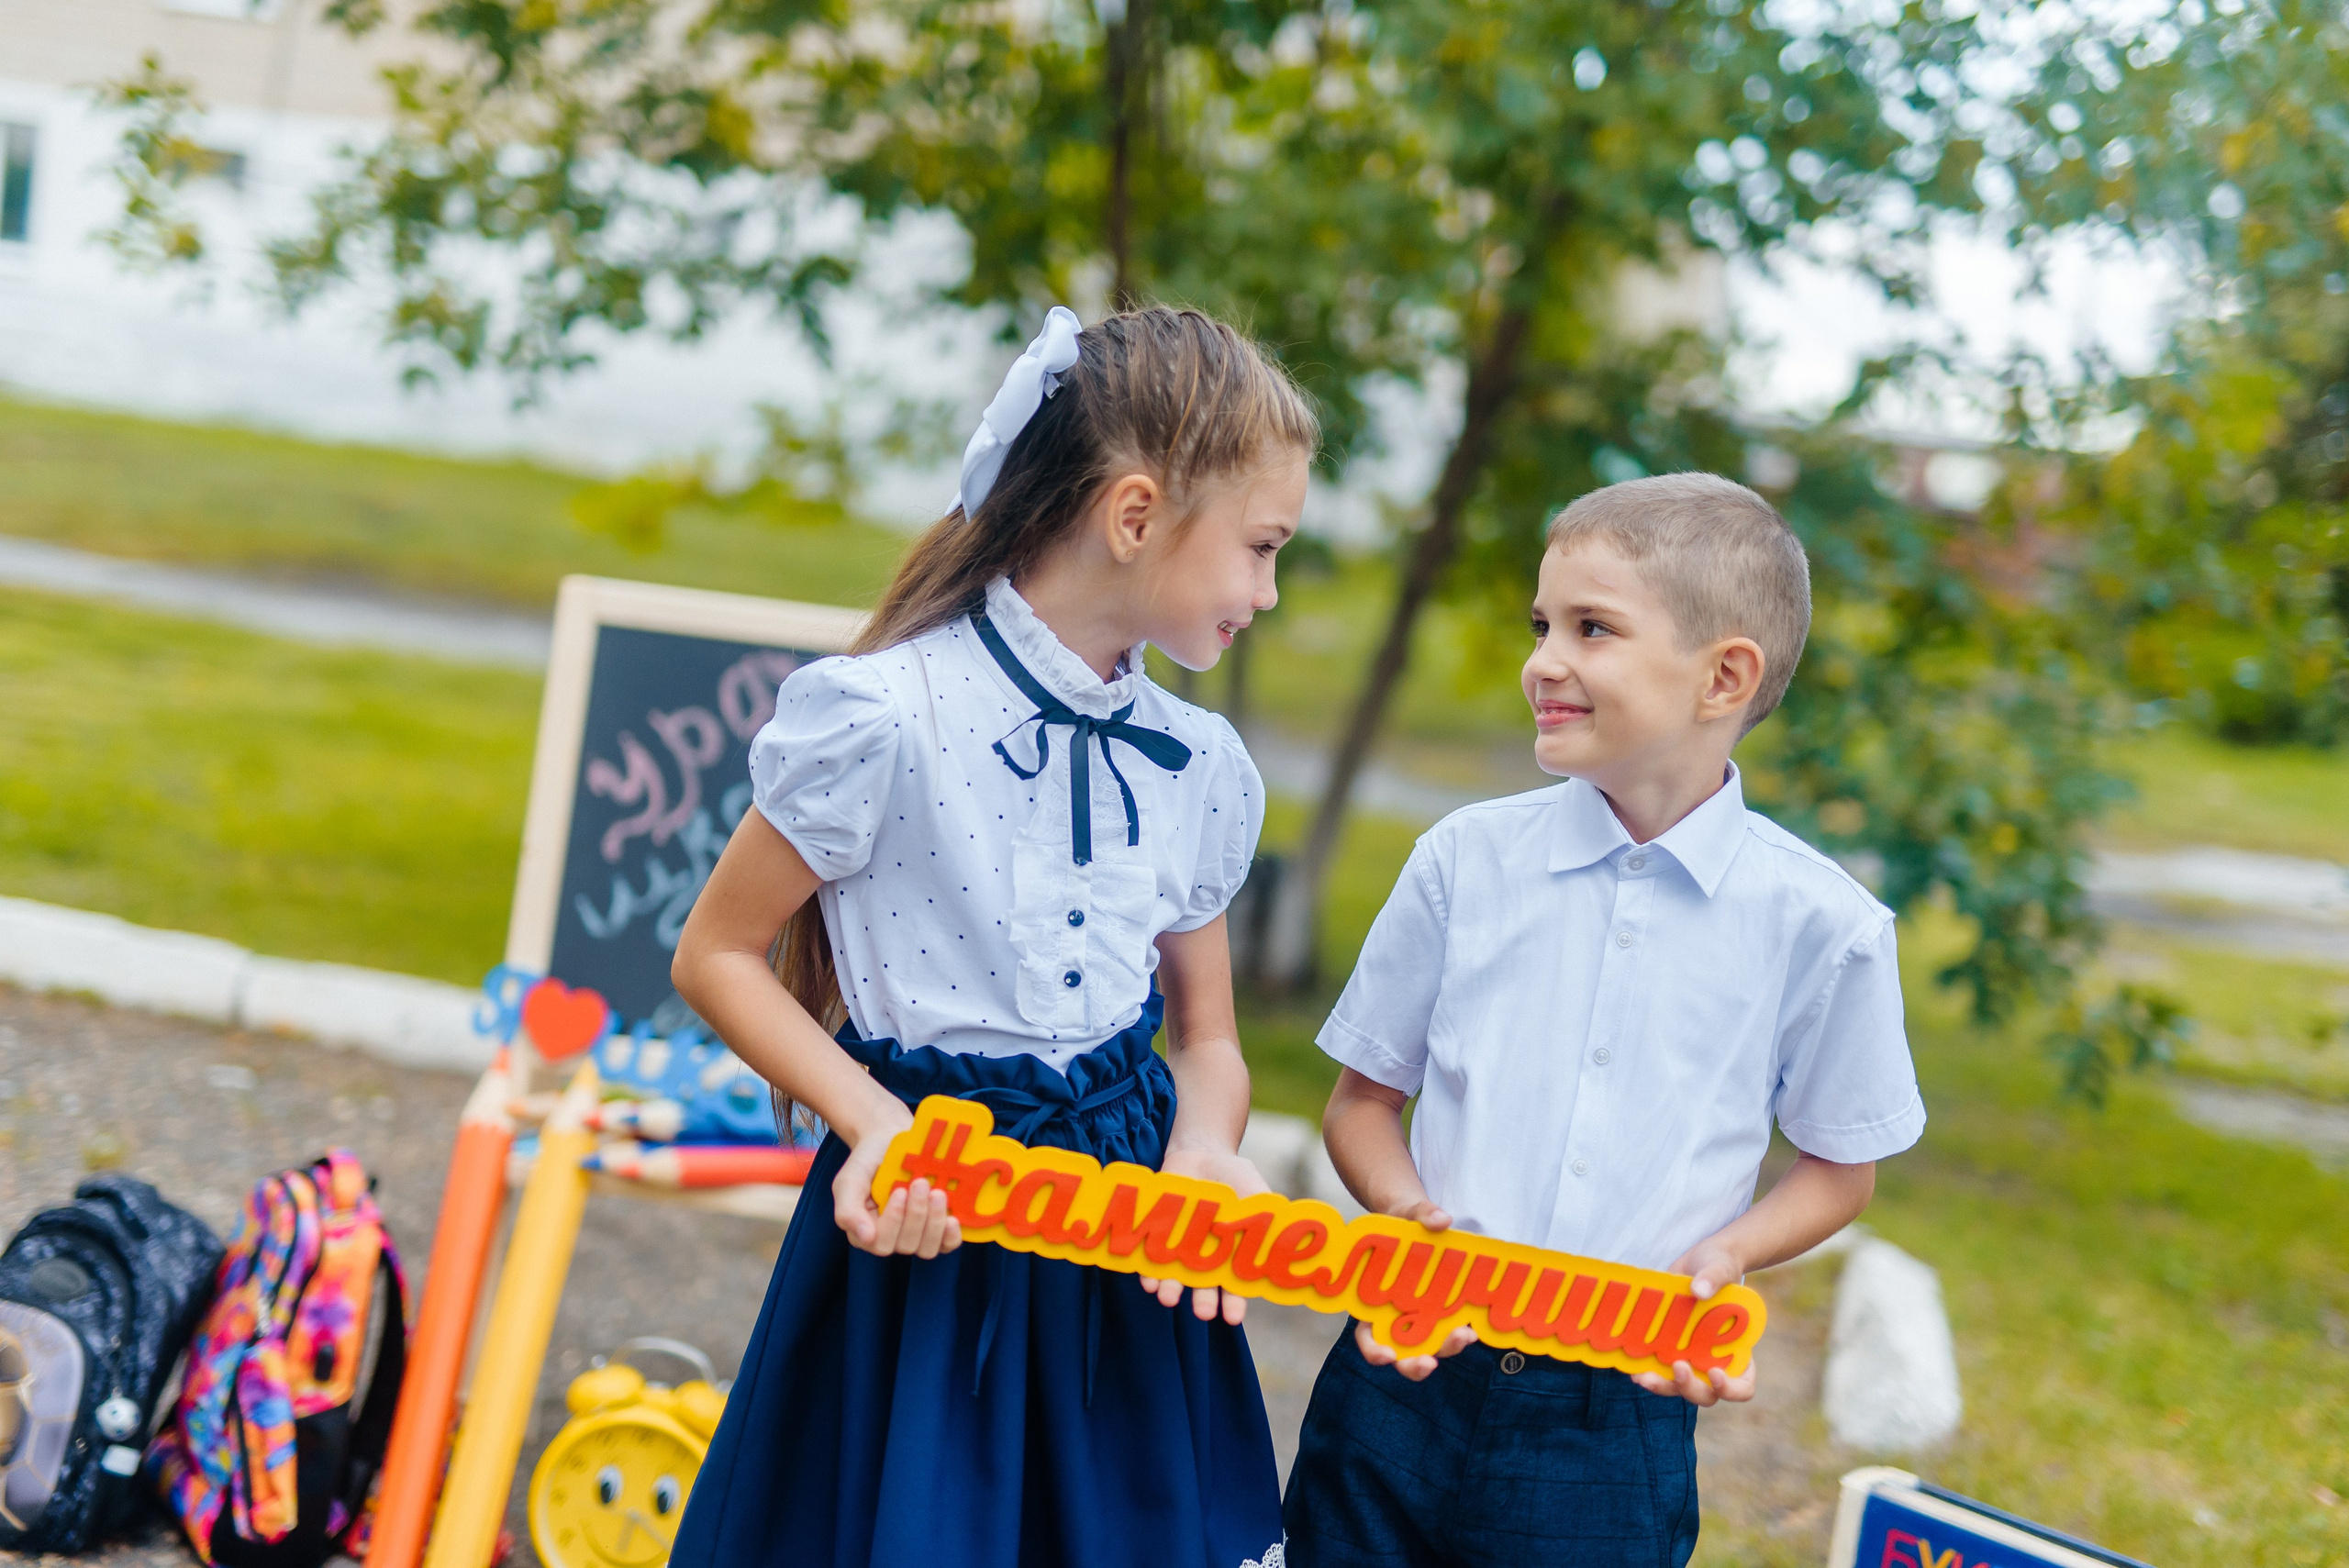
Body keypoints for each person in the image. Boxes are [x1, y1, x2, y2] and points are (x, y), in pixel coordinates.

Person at [667, 304, 1316, 1568]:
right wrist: (876, 1128)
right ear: (1134, 517)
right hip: (934, 1219)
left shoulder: (1200, 765)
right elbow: (716, 955)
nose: (1268, 591)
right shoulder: (882, 716)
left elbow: (1210, 1037)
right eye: (1260, 547)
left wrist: (1204, 1149)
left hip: (1128, 1254)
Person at [1280, 473, 1927, 1568]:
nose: (1542, 658)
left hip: (1613, 1416)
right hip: (1404, 1370)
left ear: (1723, 675)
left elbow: (1839, 1167)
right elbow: (1362, 1100)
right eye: (1541, 623)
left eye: (1592, 627)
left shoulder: (1824, 926)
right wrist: (1403, 1210)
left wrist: (1725, 1251)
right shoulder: (1463, 861)